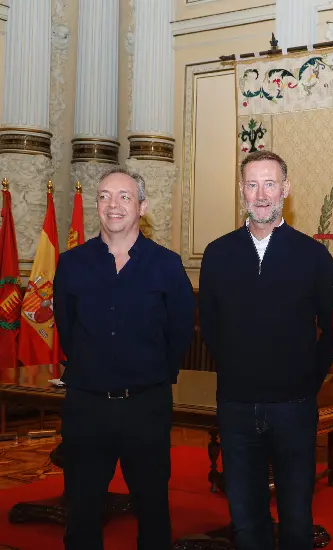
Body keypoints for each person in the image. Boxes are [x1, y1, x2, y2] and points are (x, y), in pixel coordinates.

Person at [199, 150, 333, 549]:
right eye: (252, 184)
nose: (261, 194)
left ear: (286, 190)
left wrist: (307, 381)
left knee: (296, 518)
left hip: (294, 407)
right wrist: (235, 370)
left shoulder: (313, 255)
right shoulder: (218, 253)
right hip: (237, 406)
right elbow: (209, 325)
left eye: (270, 183)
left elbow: (331, 329)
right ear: (242, 191)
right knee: (245, 517)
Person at [53, 167, 196, 549]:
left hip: (145, 407)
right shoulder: (71, 264)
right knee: (81, 511)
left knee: (152, 509)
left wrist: (152, 374)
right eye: (104, 196)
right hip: (86, 406)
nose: (113, 205)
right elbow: (67, 331)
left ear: (142, 206)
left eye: (124, 197)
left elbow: (180, 330)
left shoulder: (166, 265)